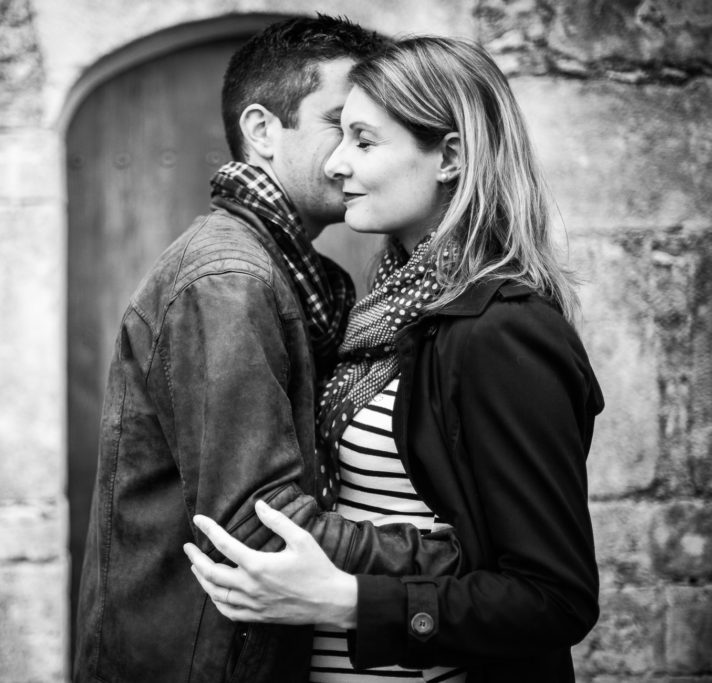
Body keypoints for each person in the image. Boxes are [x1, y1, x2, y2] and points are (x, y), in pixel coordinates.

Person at [185, 36, 604, 682]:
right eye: (340, 134)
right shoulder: (382, 308)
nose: (337, 165)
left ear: (451, 158)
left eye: (364, 140)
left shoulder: (500, 329)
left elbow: (554, 596)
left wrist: (347, 601)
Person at [74, 17, 466, 683]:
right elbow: (259, 525)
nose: (349, 154)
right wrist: (445, 561)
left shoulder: (299, 276)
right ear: (262, 132)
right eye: (339, 124)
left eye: (365, 134)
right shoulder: (231, 280)